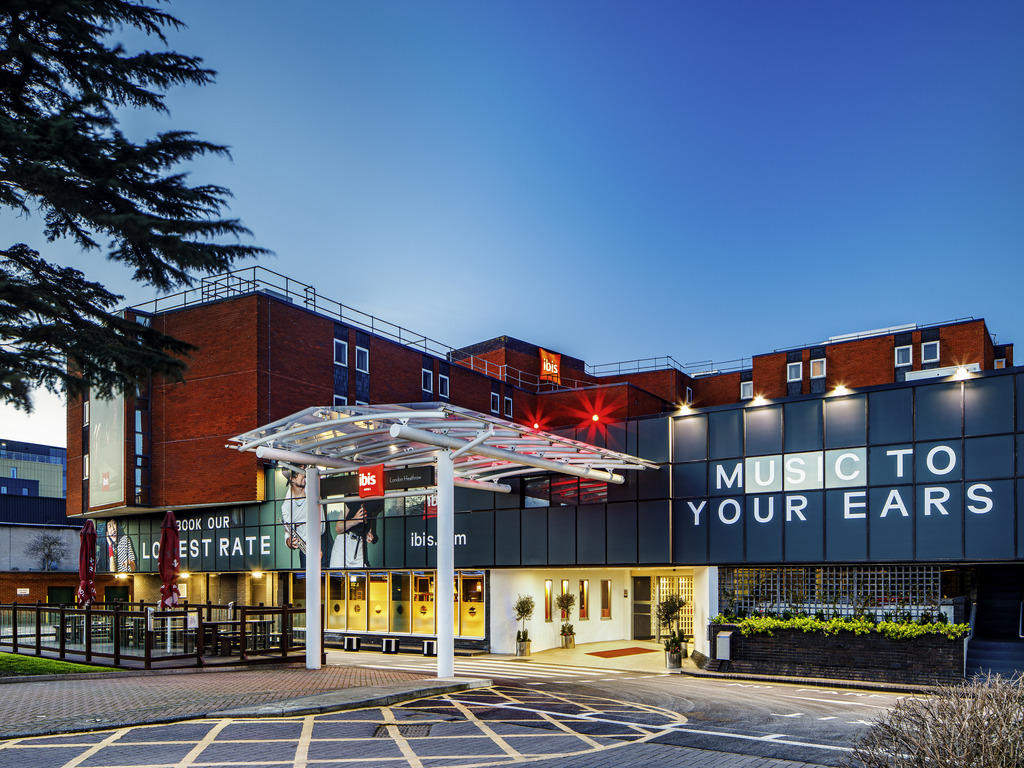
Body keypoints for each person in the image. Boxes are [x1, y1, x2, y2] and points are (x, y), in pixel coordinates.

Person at [280, 469, 326, 566]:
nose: (304, 473)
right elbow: (287, 533)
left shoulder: (311, 486)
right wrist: (289, 541)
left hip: (323, 540)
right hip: (306, 548)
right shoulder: (287, 507)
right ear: (292, 479)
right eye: (300, 472)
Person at [331, 501, 378, 568]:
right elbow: (338, 528)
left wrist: (368, 533)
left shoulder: (374, 502)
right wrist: (355, 520)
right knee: (337, 576)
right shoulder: (351, 498)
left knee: (362, 576)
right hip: (344, 544)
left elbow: (369, 520)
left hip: (359, 546)